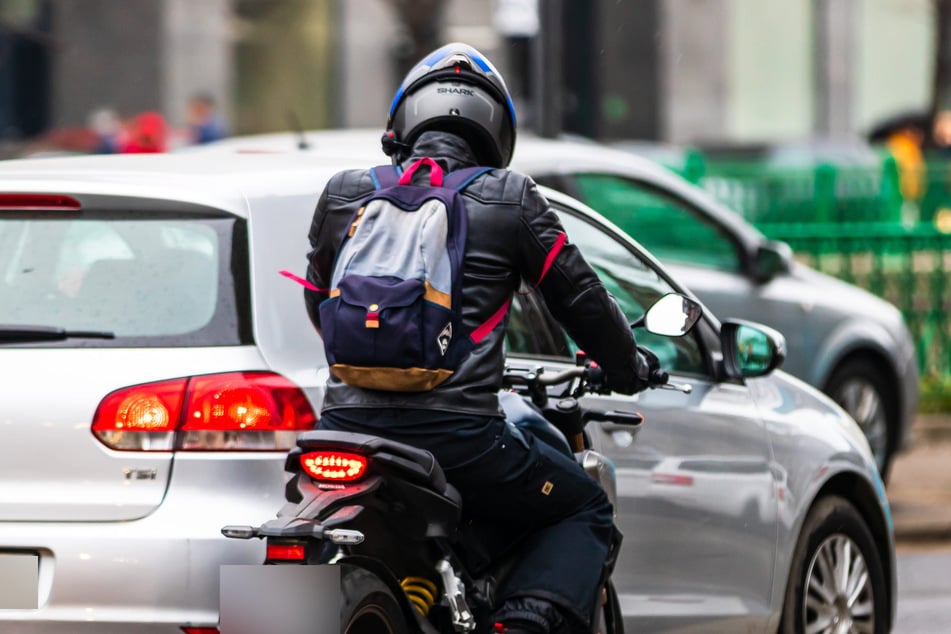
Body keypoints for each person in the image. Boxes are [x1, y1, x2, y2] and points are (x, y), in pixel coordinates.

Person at [303, 42, 659, 634]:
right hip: (460, 440)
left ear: (403, 122)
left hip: (339, 429)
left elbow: (321, 305)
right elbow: (581, 301)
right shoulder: (510, 198)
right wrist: (627, 365)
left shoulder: (345, 193)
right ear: (496, 132)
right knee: (584, 508)